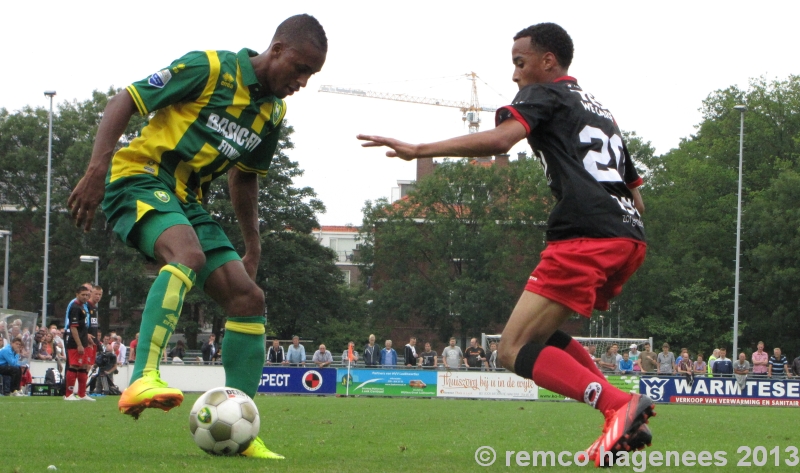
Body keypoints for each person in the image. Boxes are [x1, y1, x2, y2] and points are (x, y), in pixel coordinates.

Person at [359, 23, 652, 462]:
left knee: (510, 350)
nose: (515, 75)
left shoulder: (544, 93)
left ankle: (616, 405)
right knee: (542, 335)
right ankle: (623, 414)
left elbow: (500, 140)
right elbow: (637, 197)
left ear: (547, 61)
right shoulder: (600, 111)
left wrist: (419, 149)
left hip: (586, 235)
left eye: (519, 63)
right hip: (627, 237)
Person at [67, 14, 327, 460]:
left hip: (188, 201)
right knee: (186, 254)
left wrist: (253, 246)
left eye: (311, 74)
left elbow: (244, 179)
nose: (302, 81)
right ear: (278, 48)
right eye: (299, 67)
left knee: (249, 299)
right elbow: (124, 100)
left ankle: (241, 424)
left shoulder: (273, 112)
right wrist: (96, 169)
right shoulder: (210, 68)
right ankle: (142, 378)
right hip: (139, 176)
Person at [64, 286, 96, 401]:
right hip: (75, 342)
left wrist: (86, 338)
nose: (85, 297)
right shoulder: (75, 307)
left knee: (83, 366)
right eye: (83, 295)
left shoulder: (83, 307)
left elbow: (83, 327)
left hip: (83, 341)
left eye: (87, 295)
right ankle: (68, 394)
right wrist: (79, 344)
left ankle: (82, 394)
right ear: (77, 294)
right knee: (74, 366)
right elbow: (73, 328)